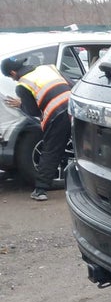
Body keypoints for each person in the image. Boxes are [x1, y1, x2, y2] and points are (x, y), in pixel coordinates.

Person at [1, 56, 72, 201]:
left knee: (51, 150)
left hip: (57, 115)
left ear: (13, 73)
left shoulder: (22, 86)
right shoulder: (48, 67)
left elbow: (33, 111)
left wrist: (21, 104)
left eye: (11, 77)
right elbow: (71, 83)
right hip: (75, 108)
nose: (13, 79)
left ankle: (40, 190)